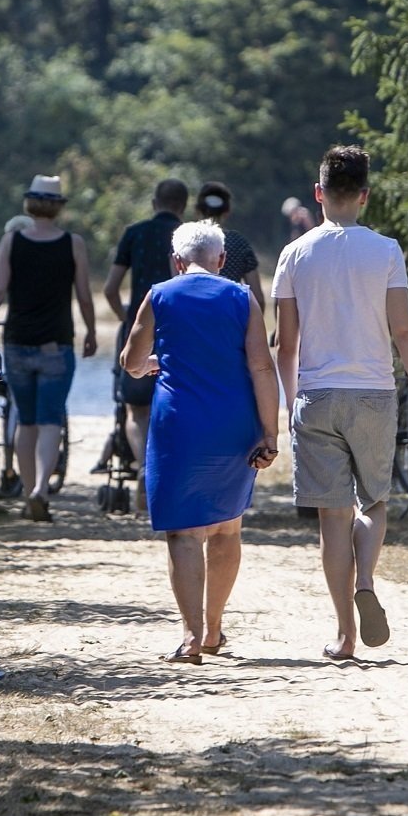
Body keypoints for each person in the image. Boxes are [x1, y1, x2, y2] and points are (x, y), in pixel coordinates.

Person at [273, 145, 408, 662]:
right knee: (375, 502)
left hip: (316, 395)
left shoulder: (294, 254)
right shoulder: (385, 250)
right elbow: (404, 330)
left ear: (319, 193)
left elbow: (286, 343)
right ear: (364, 195)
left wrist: (287, 403)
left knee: (332, 519)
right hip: (374, 393)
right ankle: (365, 578)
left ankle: (344, 635)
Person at [119, 221, 280, 663]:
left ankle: (190, 637)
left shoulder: (160, 295)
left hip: (179, 424)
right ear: (223, 261)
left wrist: (152, 363)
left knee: (183, 533)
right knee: (227, 526)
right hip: (234, 423)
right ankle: (213, 630)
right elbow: (262, 369)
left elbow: (131, 361)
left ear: (176, 261)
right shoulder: (242, 297)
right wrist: (270, 432)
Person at [0, 175, 98, 521]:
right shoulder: (73, 244)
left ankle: (29, 493)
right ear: (58, 206)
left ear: (30, 203)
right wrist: (90, 331)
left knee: (25, 422)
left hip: (17, 343)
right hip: (56, 343)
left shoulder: (11, 241)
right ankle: (42, 487)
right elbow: (84, 294)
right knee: (49, 420)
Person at [103, 179, 188, 513]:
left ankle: (144, 464)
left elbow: (110, 287)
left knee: (136, 409)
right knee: (177, 403)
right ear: (183, 205)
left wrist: (128, 319)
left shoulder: (134, 233)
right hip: (180, 330)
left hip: (139, 327)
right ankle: (171, 469)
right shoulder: (187, 237)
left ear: (154, 202)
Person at [194, 181, 267, 319]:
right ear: (227, 212)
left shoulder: (185, 241)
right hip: (230, 321)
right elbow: (258, 298)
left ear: (197, 210)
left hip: (193, 321)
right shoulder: (239, 243)